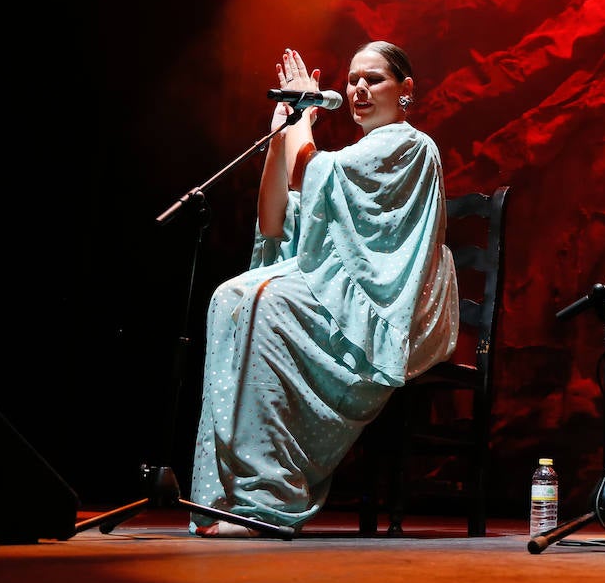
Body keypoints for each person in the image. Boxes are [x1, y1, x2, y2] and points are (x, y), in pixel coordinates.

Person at [190, 42, 459, 537]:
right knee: (233, 295)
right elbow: (274, 222)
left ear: (406, 90)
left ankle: (266, 498)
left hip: (389, 310)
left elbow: (309, 172)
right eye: (353, 78)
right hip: (341, 294)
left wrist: (304, 118)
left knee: (264, 302)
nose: (358, 88)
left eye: (374, 79)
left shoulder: (411, 146)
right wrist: (280, 135)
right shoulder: (352, 156)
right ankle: (231, 494)